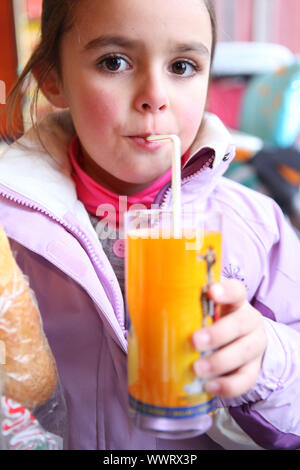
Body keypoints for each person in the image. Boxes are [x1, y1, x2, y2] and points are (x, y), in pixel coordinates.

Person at [0, 0, 300, 451]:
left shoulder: (256, 225)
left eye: (183, 65)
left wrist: (268, 360)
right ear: (52, 78)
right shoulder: (10, 234)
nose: (154, 94)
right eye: (114, 62)